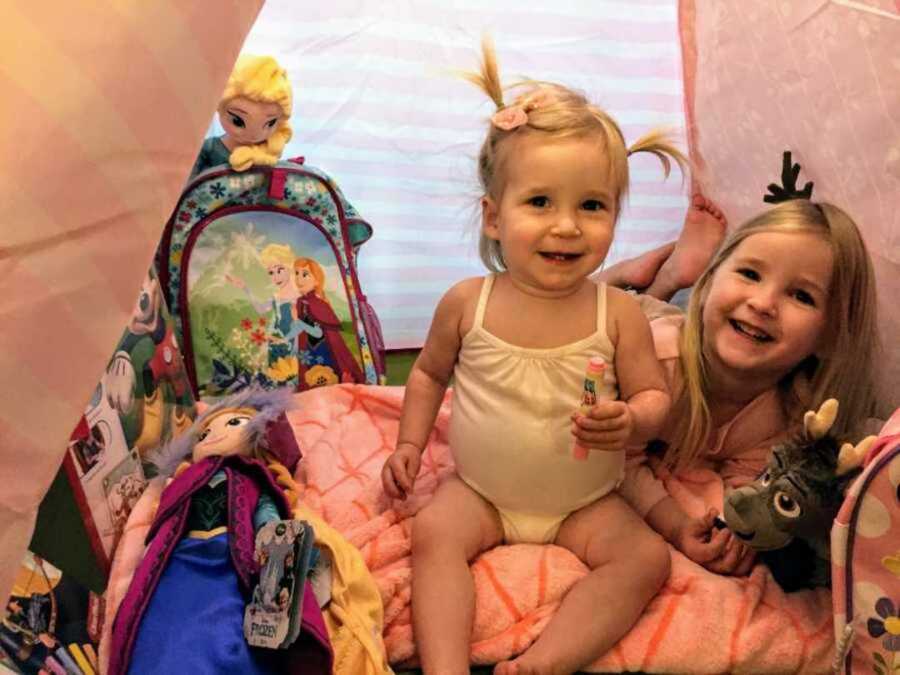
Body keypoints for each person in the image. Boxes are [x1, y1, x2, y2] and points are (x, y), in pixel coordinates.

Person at [381, 38, 686, 674]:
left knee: (647, 560)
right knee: (433, 535)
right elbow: (430, 374)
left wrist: (633, 420)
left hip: (585, 501)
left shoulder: (618, 312)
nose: (567, 225)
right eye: (540, 202)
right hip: (482, 493)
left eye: (592, 205)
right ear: (494, 217)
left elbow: (656, 399)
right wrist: (410, 444)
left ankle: (541, 664)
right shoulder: (469, 303)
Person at [620, 198, 879, 577]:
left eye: (801, 296)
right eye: (750, 274)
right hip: (650, 324)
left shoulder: (785, 414)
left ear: (830, 337)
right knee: (605, 310)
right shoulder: (658, 363)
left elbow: (750, 483)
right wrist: (676, 525)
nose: (764, 303)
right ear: (709, 285)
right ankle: (659, 276)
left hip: (700, 324)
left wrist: (741, 533)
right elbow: (617, 463)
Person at [106, 388, 326, 675]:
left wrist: (274, 539)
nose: (213, 435)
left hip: (231, 560)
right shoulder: (184, 482)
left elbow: (267, 516)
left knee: (232, 632)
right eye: (203, 433)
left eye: (234, 423)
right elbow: (164, 523)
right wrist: (151, 559)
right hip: (179, 562)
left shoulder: (252, 477)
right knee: (157, 627)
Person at [190, 54, 293, 178]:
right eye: (237, 121)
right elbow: (185, 188)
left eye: (270, 123)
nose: (254, 136)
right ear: (219, 108)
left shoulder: (269, 149)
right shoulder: (210, 148)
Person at [292, 257, 364, 389]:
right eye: (296, 273)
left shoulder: (320, 304)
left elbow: (324, 332)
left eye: (304, 274)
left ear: (316, 281)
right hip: (308, 350)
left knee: (325, 376)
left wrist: (300, 323)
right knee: (310, 377)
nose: (298, 279)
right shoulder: (300, 302)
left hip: (323, 349)